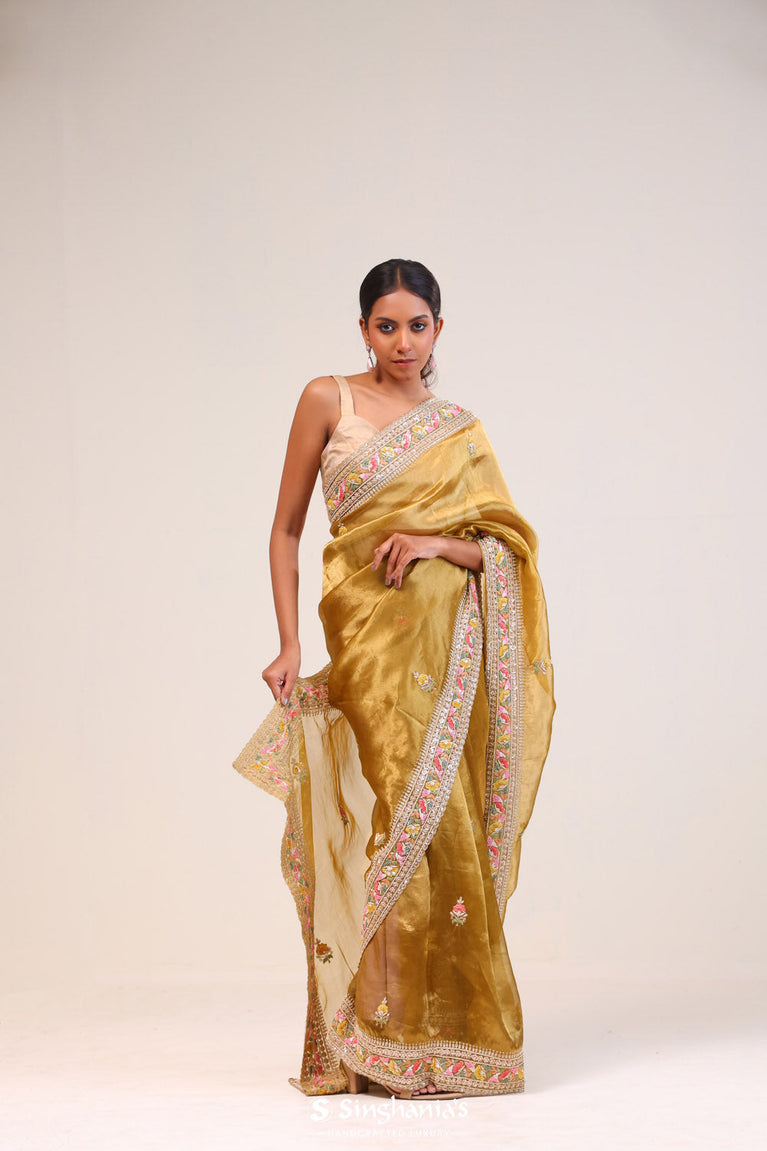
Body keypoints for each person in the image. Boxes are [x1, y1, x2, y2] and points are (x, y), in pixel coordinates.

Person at [233, 258, 555, 1098]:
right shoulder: (326, 398)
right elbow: (285, 529)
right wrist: (288, 643)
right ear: (363, 330)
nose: (402, 341)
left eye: (417, 325)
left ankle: (422, 1038)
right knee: (394, 819)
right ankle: (374, 1035)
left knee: (440, 823)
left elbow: (505, 547)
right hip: (368, 638)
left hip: (446, 648)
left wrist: (431, 541)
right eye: (386, 325)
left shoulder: (457, 428)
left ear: (438, 329)